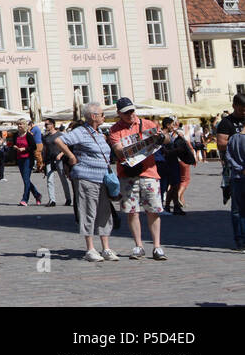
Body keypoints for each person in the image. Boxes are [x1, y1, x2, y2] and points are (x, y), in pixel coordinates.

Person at [54, 102, 121, 262]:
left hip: (103, 178)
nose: (104, 116)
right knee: (88, 212)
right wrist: (71, 156)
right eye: (102, 114)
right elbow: (59, 141)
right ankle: (90, 248)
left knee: (105, 213)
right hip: (86, 177)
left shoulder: (99, 133)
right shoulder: (81, 132)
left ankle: (106, 248)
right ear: (93, 116)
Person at [107, 97, 167, 260]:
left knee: (153, 210)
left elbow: (165, 140)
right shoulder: (114, 130)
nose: (130, 115)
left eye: (132, 111)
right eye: (126, 113)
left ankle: (157, 246)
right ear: (119, 113)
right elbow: (120, 151)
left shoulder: (148, 124)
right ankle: (138, 245)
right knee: (132, 211)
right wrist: (142, 145)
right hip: (128, 175)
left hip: (149, 172)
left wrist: (161, 138)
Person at [215, 95, 245, 217]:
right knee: (237, 207)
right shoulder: (226, 122)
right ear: (233, 106)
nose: (244, 112)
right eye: (241, 110)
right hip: (235, 167)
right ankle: (239, 236)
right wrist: (238, 142)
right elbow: (221, 144)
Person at [158, 118, 195, 215]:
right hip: (166, 163)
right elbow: (164, 151)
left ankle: (174, 206)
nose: (173, 127)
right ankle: (166, 206)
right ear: (167, 125)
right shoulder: (161, 135)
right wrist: (177, 150)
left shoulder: (172, 134)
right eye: (171, 125)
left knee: (175, 185)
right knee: (166, 186)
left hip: (173, 162)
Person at [222, 124, 245, 252]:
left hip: (236, 177)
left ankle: (239, 240)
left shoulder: (233, 138)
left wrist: (238, 168)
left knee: (237, 211)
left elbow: (228, 156)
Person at [40, 118, 71, 208]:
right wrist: (43, 161)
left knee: (63, 179)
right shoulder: (45, 137)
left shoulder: (60, 135)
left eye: (47, 124)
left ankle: (68, 198)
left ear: (53, 125)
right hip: (49, 160)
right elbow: (44, 149)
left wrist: (61, 154)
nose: (46, 126)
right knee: (49, 180)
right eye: (45, 125)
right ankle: (52, 200)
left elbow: (66, 146)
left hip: (59, 159)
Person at [12, 119, 42, 206]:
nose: (19, 126)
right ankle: (37, 195)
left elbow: (34, 147)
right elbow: (13, 144)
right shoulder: (15, 135)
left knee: (26, 180)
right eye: (18, 124)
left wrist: (25, 149)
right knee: (26, 180)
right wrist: (14, 147)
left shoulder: (28, 135)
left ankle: (25, 199)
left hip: (28, 159)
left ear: (25, 125)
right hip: (19, 158)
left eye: (21, 124)